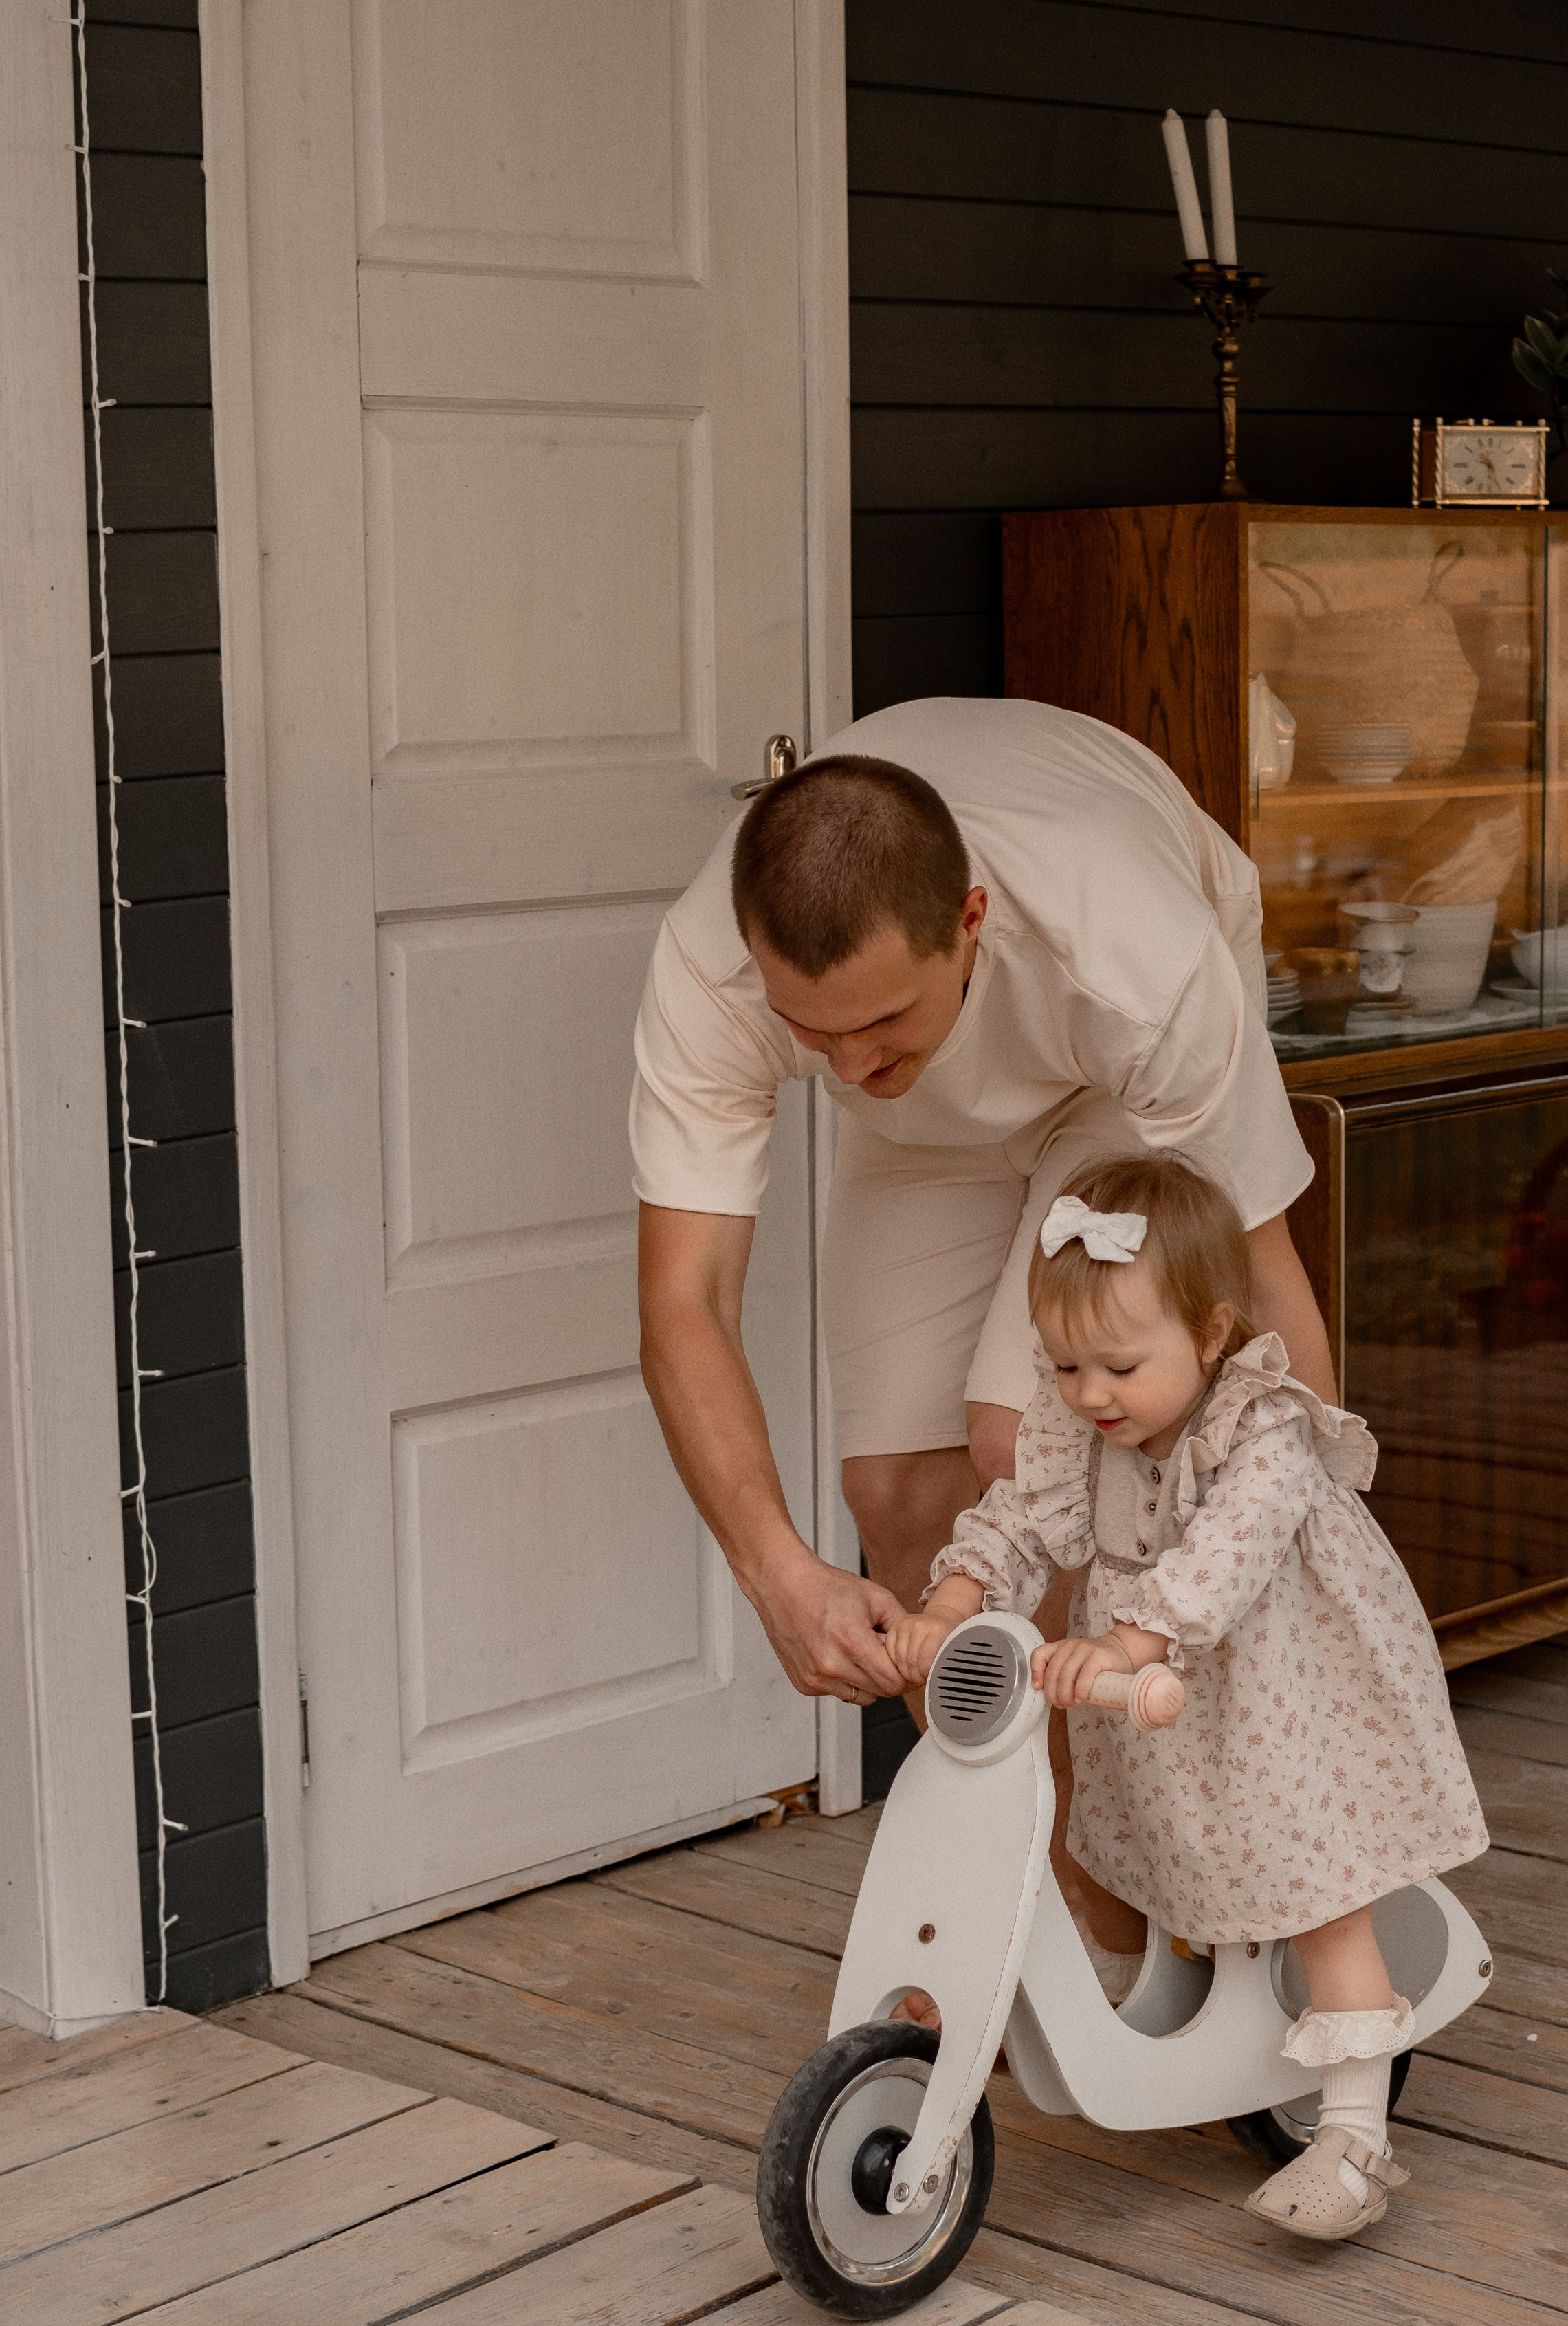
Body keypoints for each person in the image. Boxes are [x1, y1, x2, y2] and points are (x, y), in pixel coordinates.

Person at [633, 695, 1332, 1951]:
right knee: (901, 1494)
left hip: (1114, 1079)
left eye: (878, 1022)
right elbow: (686, 1301)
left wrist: (1313, 1546)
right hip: (935, 1133)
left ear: (969, 921)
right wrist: (776, 1571)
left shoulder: (1138, 958)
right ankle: (1062, 1897)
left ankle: (1186, 1860)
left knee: (1023, 1438)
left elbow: (1266, 1270)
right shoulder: (711, 968)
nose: (844, 1068)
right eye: (812, 1033)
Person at [886, 1154, 1488, 2242]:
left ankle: (1352, 2135)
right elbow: (1023, 1513)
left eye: (1116, 1365)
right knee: (1146, 1849)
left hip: (1287, 1695)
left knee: (1317, 1888)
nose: (1088, 1394)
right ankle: (1171, 2007)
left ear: (1211, 1337)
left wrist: (1130, 1634)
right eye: (1065, 1366)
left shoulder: (1264, 1430)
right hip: (1166, 1709)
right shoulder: (1086, 1425)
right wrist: (959, 1598)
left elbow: (1227, 1553)